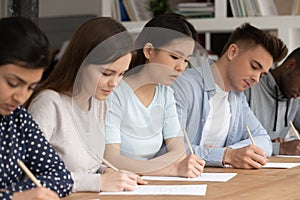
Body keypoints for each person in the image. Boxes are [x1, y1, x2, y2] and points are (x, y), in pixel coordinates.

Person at [27, 17, 146, 192]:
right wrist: (98, 182)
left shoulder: (99, 102)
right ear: (81, 63)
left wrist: (109, 172)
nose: (114, 83)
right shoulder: (49, 104)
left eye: (121, 74)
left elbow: (88, 165)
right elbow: (30, 176)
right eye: (107, 73)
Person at [171, 23, 288, 169]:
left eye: (262, 74)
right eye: (254, 67)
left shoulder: (238, 98)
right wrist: (225, 155)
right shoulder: (182, 85)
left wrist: (232, 153)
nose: (256, 79)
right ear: (233, 52)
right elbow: (169, 149)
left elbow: (263, 140)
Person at [104, 13, 205, 177]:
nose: (181, 67)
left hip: (147, 183)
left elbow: (178, 151)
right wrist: (168, 169)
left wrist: (157, 168)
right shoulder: (114, 92)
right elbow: (111, 159)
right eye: (174, 56)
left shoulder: (166, 94)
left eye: (186, 60)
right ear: (149, 51)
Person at [0, 17, 73, 200]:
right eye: (13, 83)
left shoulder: (16, 118)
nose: (21, 97)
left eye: (31, 87)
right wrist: (14, 197)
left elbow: (61, 176)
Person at [245, 47, 300, 155]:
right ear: (290, 65)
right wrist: (278, 148)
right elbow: (232, 142)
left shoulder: (294, 95)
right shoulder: (249, 87)